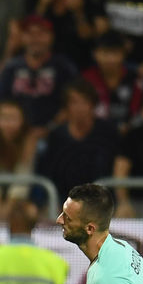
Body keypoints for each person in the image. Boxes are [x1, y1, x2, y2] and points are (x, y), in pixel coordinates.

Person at [35, 78, 117, 214]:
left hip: (102, 200)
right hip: (63, 200)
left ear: (93, 105)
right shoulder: (56, 136)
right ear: (67, 107)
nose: (79, 108)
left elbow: (114, 170)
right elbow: (49, 173)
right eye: (74, 102)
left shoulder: (108, 132)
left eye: (84, 102)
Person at [0, 14, 78, 135]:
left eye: (41, 34)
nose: (35, 39)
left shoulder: (64, 67)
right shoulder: (11, 68)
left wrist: (47, 130)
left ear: (51, 37)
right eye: (30, 34)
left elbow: (72, 106)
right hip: (16, 134)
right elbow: (0, 106)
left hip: (55, 135)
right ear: (22, 37)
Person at [0, 99, 40, 219]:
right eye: (5, 118)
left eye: (14, 118)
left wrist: (8, 206)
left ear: (22, 120)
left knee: (28, 212)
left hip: (23, 196)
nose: (9, 124)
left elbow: (23, 177)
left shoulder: (29, 140)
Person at [81, 31, 143, 135]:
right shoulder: (86, 79)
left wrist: (129, 127)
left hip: (128, 134)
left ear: (123, 54)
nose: (110, 59)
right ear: (95, 54)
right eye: (105, 53)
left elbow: (138, 111)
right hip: (93, 134)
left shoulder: (134, 79)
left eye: (115, 53)